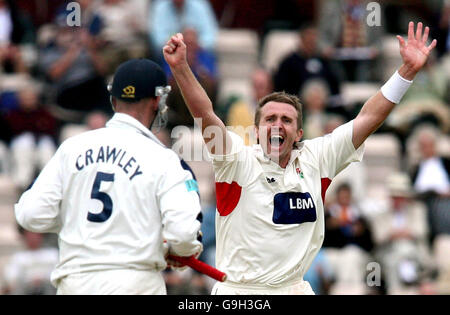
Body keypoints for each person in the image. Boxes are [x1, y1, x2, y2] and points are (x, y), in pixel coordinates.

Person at [163, 22, 436, 294]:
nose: (278, 125)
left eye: (286, 120)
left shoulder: (317, 158)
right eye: (270, 119)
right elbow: (205, 115)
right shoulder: (235, 159)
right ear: (256, 131)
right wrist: (181, 68)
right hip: (242, 293)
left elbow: (368, 117)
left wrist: (407, 71)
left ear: (299, 133)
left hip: (294, 289)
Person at [14, 59, 203, 295]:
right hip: (135, 283)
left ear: (113, 100)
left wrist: (77, 218)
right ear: (157, 100)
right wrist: (181, 250)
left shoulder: (71, 148)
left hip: (75, 282)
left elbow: (29, 215)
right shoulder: (164, 159)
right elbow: (184, 234)